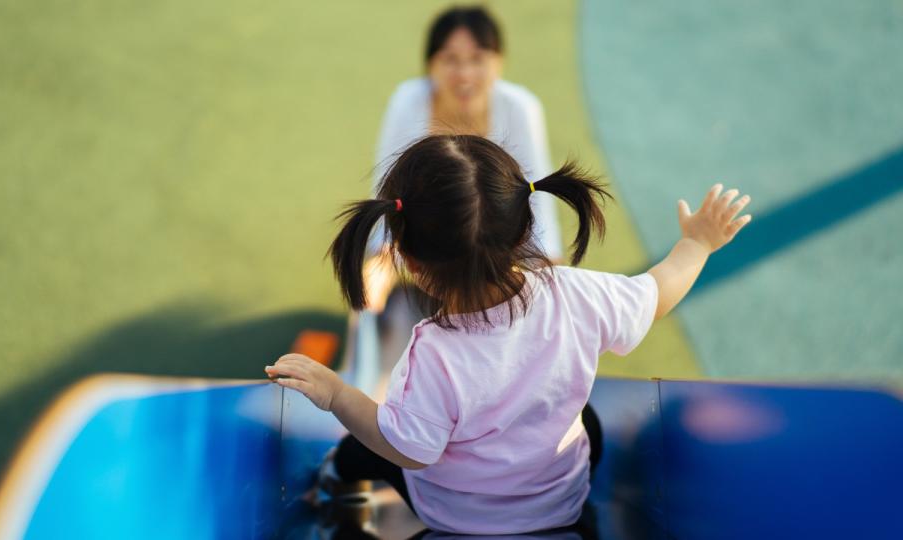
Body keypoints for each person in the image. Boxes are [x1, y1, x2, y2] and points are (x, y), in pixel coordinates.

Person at [266, 135, 752, 535]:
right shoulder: (579, 294)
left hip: (456, 518)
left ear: (411, 263)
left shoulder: (434, 353)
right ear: (524, 229)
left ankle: (337, 482)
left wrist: (336, 394)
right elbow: (658, 293)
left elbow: (409, 450)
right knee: (586, 419)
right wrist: (696, 243)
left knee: (370, 436)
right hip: (557, 505)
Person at [364, 6, 563, 313]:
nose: (465, 74)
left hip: (493, 255)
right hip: (423, 252)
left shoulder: (521, 107)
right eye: (450, 60)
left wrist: (545, 270)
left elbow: (538, 201)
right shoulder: (407, 101)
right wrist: (379, 264)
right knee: (370, 307)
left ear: (498, 62)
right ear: (431, 65)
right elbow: (386, 192)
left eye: (477, 59)